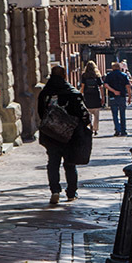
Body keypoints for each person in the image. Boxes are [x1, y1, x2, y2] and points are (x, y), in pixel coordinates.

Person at [37, 66, 88, 206]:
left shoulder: (45, 94)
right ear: (65, 76)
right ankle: (71, 192)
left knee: (53, 163)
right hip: (70, 135)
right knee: (70, 164)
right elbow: (83, 114)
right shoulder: (73, 93)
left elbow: (41, 113)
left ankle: (55, 190)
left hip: (51, 135)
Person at [104, 61, 132, 136]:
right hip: (122, 96)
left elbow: (106, 85)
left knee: (115, 114)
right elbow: (128, 86)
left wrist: (113, 91)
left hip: (112, 97)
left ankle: (117, 130)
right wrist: (129, 96)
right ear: (119, 68)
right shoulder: (123, 75)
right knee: (122, 114)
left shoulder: (109, 75)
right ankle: (123, 130)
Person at [79, 60, 104, 135]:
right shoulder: (97, 75)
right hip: (95, 96)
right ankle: (95, 129)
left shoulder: (84, 76)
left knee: (88, 114)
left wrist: (81, 95)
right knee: (96, 115)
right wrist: (102, 97)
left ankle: (90, 126)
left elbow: (82, 87)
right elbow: (101, 87)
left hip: (87, 97)